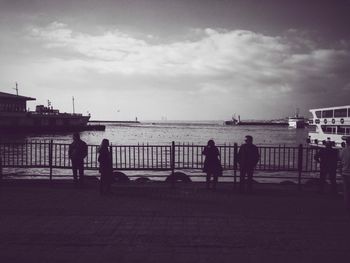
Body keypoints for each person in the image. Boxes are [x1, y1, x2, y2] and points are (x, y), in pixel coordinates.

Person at [339, 137, 350, 212]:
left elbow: (340, 159)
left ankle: (346, 206)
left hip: (345, 172)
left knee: (346, 190)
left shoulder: (343, 151)